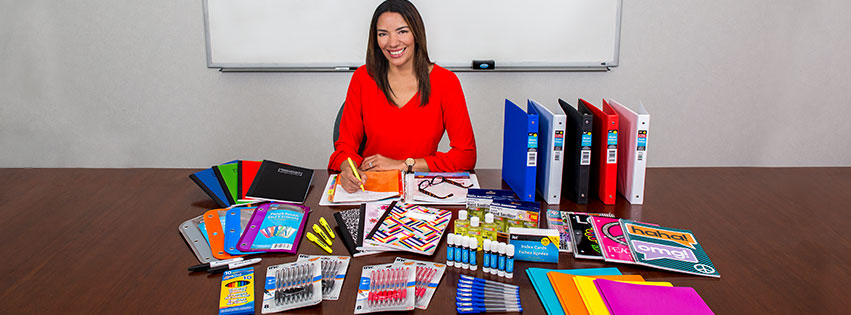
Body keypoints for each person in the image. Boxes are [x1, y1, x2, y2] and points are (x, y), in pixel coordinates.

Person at [328, 0, 477, 193]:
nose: (392, 42)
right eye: (383, 34)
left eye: (402, 31)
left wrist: (403, 165)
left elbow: (465, 156)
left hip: (422, 188)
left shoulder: (446, 82)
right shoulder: (362, 78)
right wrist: (347, 167)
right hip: (371, 186)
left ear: (416, 33)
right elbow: (344, 148)